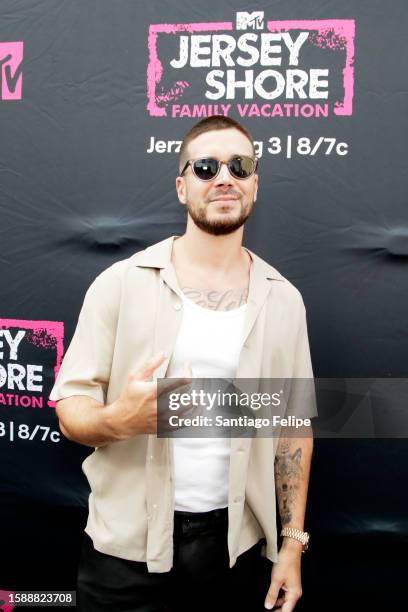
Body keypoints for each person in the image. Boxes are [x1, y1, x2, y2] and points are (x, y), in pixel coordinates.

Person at [50, 115, 316, 611]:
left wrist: (292, 547)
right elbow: (70, 409)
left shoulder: (284, 302)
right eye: (206, 166)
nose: (224, 178)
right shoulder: (121, 284)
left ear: (255, 184)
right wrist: (118, 420)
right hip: (124, 553)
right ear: (181, 186)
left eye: (240, 166)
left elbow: (293, 430)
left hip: (236, 550)